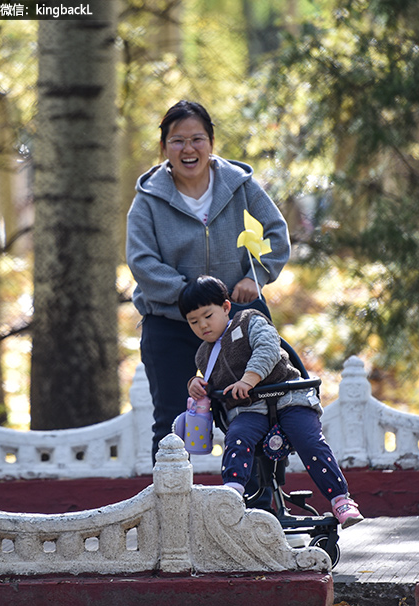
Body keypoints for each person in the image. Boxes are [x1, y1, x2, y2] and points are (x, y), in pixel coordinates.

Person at [126, 100, 291, 465]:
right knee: (171, 422)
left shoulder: (239, 185)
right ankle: (171, 511)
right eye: (177, 141)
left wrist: (256, 276)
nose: (188, 149)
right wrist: (187, 295)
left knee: (261, 411)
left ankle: (261, 505)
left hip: (237, 323)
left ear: (211, 143)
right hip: (170, 323)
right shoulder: (148, 199)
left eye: (197, 139)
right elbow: (141, 261)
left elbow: (277, 234)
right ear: (164, 147)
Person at [178, 275, 364, 529]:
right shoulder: (204, 354)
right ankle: (231, 496)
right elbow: (213, 385)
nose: (203, 326)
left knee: (309, 441)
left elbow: (269, 348)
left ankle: (340, 499)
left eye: (208, 316)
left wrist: (248, 380)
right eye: (193, 322)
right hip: (249, 410)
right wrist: (197, 385)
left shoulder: (250, 321)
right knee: (238, 437)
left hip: (290, 399)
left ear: (225, 307)